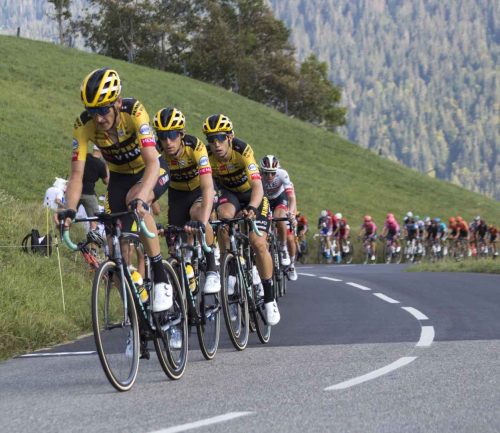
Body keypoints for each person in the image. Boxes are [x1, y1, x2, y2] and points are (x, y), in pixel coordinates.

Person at [57, 67, 172, 314]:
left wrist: (143, 197)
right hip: (119, 176)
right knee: (115, 251)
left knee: (135, 200)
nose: (98, 118)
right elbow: (77, 175)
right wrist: (68, 208)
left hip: (150, 171)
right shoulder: (83, 126)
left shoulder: (135, 112)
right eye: (92, 111)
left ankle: (161, 278)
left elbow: (153, 162)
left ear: (117, 102)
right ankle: (135, 320)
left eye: (102, 110)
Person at [202, 113, 280, 325]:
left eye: (220, 138)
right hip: (231, 195)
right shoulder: (207, 155)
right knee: (224, 219)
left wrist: (253, 207)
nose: (215, 144)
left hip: (252, 196)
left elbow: (257, 186)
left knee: (258, 242)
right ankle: (233, 269)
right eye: (211, 139)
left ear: (229, 137)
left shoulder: (242, 150)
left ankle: (270, 298)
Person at [153, 107, 220, 294]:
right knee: (173, 242)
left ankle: (212, 266)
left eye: (173, 135)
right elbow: (149, 180)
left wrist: (203, 221)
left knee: (197, 215)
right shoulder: (157, 150)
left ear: (181, 134)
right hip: (177, 194)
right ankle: (182, 298)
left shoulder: (195, 147)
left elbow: (208, 187)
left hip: (199, 190)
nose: (167, 142)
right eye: (162, 136)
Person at [260, 154, 298, 280]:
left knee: (286, 229)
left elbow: (291, 197)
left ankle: (284, 249)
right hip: (265, 200)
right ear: (262, 171)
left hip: (280, 199)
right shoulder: (257, 176)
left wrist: (291, 214)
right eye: (266, 173)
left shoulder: (282, 174)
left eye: (272, 173)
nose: (269, 176)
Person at [79, 145, 109, 232]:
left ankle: (63, 235)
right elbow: (106, 181)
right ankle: (92, 243)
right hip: (89, 194)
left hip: (76, 191)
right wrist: (107, 165)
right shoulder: (101, 164)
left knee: (68, 216)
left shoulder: (85, 157)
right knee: (94, 220)